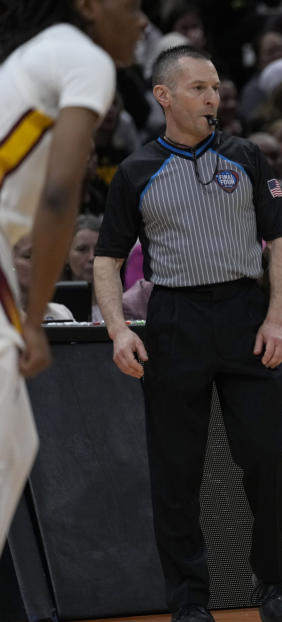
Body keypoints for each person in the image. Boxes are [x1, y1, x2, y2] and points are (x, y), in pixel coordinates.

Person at [92, 46, 282, 622]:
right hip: (175, 318)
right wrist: (117, 329)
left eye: (216, 87)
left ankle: (275, 580)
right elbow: (106, 260)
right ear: (164, 96)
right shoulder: (135, 170)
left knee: (268, 459)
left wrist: (276, 318)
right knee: (176, 472)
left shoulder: (248, 157)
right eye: (200, 88)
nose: (214, 97)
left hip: (244, 313)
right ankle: (189, 602)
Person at [0, 0, 146, 552]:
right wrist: (35, 321)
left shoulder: (34, 57)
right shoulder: (83, 57)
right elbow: (62, 194)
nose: (142, 20)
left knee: (15, 438)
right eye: (131, 5)